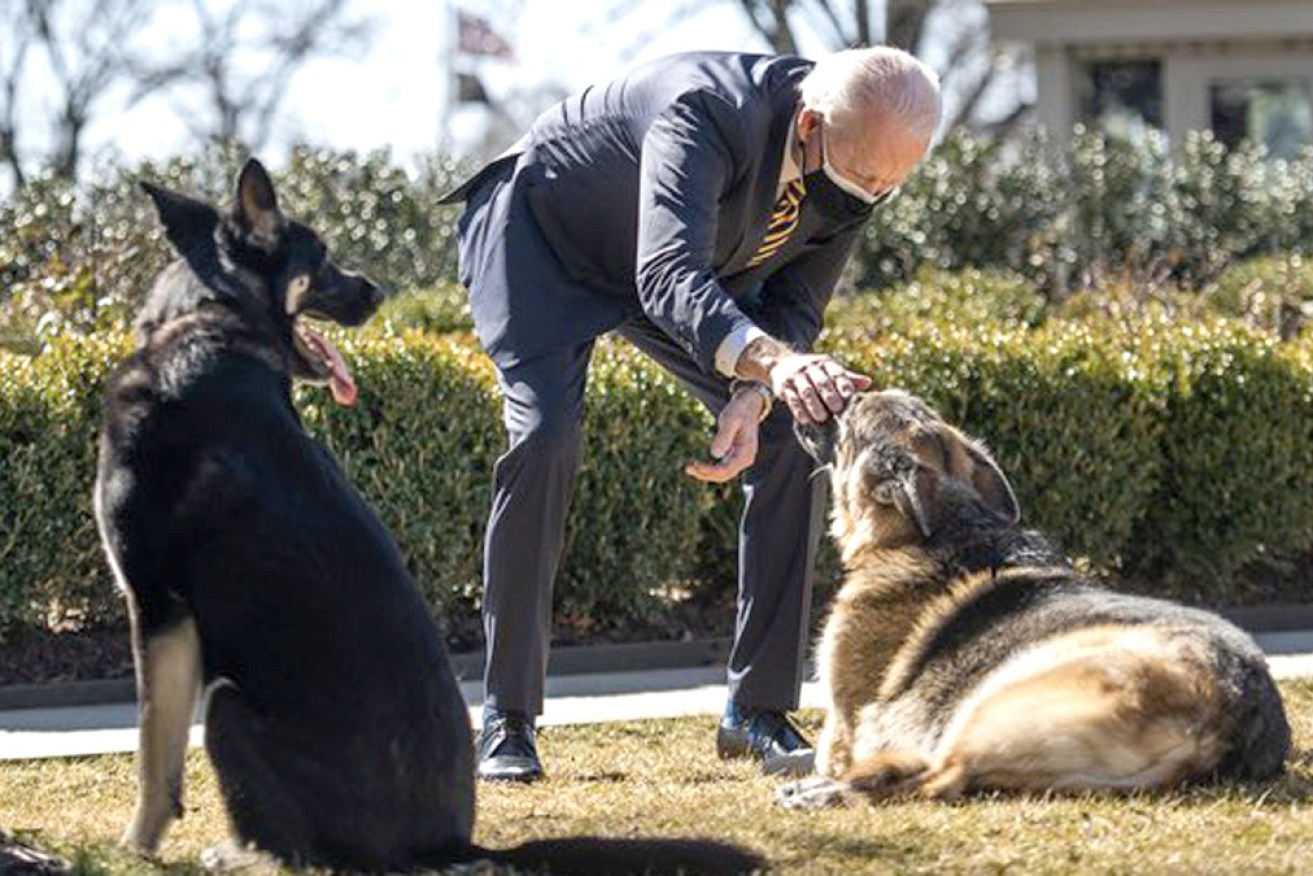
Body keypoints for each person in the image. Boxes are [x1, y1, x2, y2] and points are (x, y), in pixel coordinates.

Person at [440, 46, 941, 782]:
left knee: (791, 436)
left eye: (889, 183)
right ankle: (506, 720)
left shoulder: (860, 151)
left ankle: (755, 713)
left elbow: (796, 302)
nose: (870, 195)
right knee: (545, 435)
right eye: (863, 177)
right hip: (539, 239)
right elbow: (668, 273)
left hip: (669, 270)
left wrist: (756, 391)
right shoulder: (703, 111)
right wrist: (771, 361)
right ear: (807, 124)